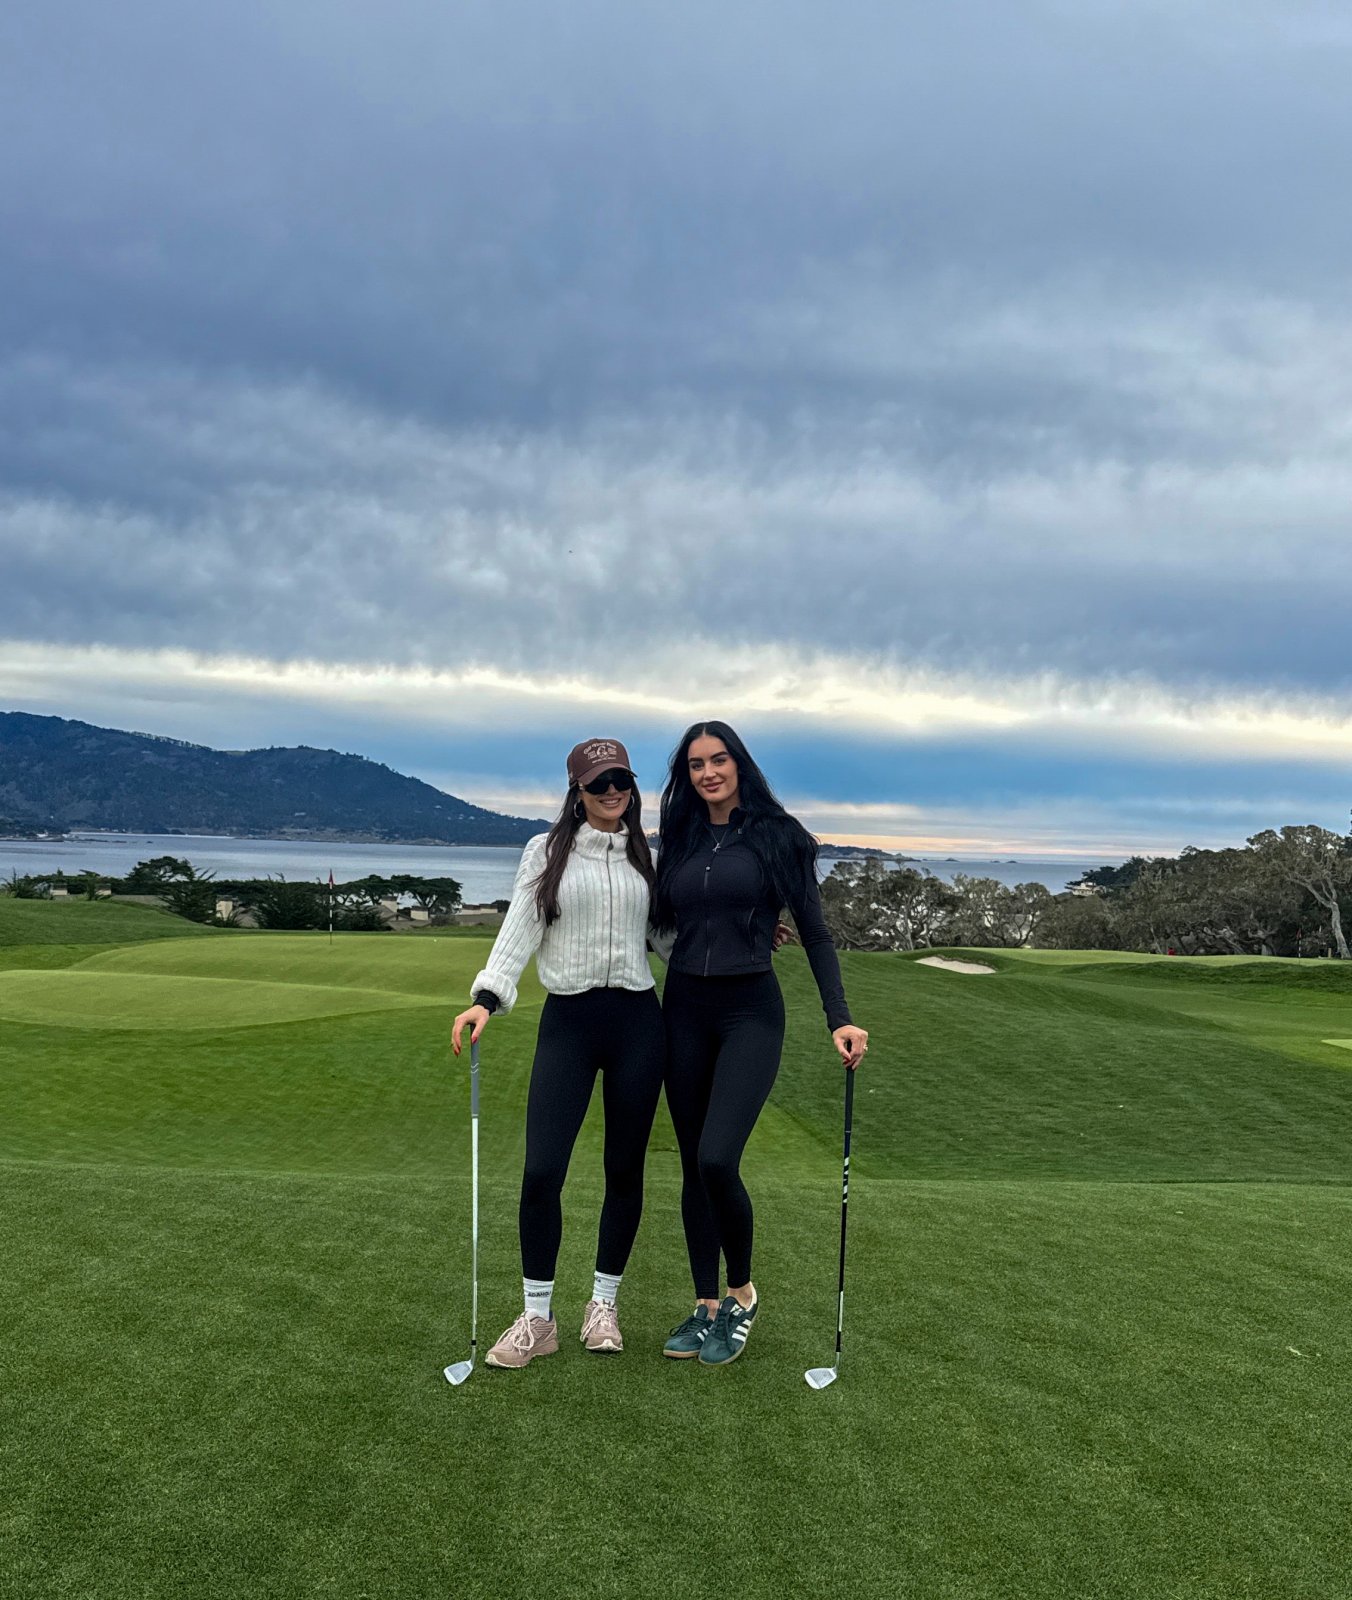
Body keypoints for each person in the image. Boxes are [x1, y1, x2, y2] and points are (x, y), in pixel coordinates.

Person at [652, 721, 868, 1367]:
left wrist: (839, 1017)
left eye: (719, 760)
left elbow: (816, 932)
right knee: (693, 1166)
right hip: (682, 1009)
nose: (708, 773)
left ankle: (741, 1294)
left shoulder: (781, 836)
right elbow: (660, 920)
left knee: (718, 1158)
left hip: (750, 1013)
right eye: (696, 764)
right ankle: (704, 1305)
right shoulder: (681, 836)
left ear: (739, 764)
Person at [451, 737, 665, 1369]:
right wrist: (486, 997)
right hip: (568, 1023)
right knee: (543, 1170)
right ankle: (537, 1318)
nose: (612, 792)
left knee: (624, 1170)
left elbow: (671, 937)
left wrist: (743, 941)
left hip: (637, 1022)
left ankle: (604, 1305)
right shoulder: (545, 852)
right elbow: (521, 925)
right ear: (577, 791)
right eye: (598, 783)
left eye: (621, 781)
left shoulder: (649, 858)